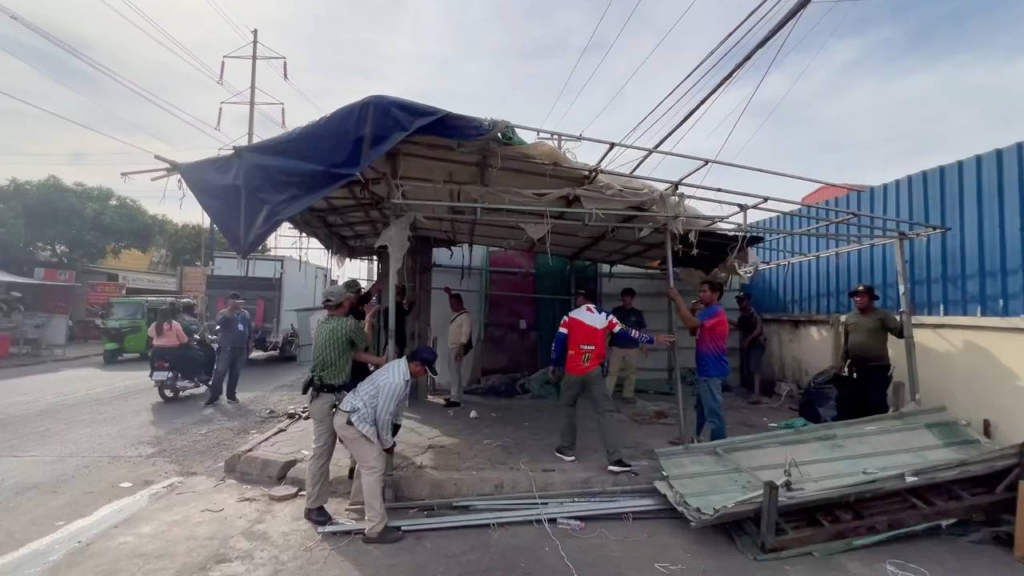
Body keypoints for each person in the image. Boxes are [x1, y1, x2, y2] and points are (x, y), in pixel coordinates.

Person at [551, 289, 673, 473]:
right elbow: (626, 332)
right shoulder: (605, 316)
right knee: (606, 412)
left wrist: (554, 363)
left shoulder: (569, 316)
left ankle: (567, 450)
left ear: (582, 297)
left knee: (568, 407)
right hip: (593, 369)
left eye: (577, 296)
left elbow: (558, 342)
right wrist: (651, 339)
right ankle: (615, 459)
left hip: (573, 370)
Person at [336, 346, 439, 544]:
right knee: (375, 466)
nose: (425, 375)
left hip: (354, 418)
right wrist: (387, 443)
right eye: (425, 370)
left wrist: (394, 431)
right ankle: (375, 529)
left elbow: (397, 408)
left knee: (368, 463)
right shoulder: (396, 380)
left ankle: (359, 505)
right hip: (353, 421)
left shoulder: (401, 370)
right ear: (417, 365)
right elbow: (383, 417)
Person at [304, 285, 386, 527]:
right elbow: (364, 345)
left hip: (319, 396)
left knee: (321, 452)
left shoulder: (321, 324)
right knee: (365, 444)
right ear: (346, 303)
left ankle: (314, 505)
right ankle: (363, 502)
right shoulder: (349, 325)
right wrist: (369, 319)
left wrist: (380, 361)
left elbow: (352, 354)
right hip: (336, 398)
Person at [668, 279, 730, 441]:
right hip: (705, 369)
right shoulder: (708, 311)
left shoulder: (715, 310)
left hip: (711, 369)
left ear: (715, 294)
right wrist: (693, 311)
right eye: (700, 291)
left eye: (704, 291)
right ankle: (697, 436)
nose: (700, 294)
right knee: (701, 408)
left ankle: (718, 444)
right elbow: (692, 330)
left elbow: (689, 322)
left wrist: (678, 298)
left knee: (713, 411)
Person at [838, 284, 904, 420]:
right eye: (856, 297)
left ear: (871, 299)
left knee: (876, 401)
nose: (858, 299)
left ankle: (879, 426)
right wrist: (841, 364)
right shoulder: (850, 317)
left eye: (863, 296)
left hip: (877, 367)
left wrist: (906, 319)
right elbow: (846, 343)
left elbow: (900, 333)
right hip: (856, 367)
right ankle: (861, 428)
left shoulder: (883, 315)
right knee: (857, 401)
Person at [204, 292, 251, 406]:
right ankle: (214, 396)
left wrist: (251, 342)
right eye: (231, 300)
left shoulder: (245, 314)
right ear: (228, 302)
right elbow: (220, 323)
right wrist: (230, 310)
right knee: (220, 371)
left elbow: (249, 328)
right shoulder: (223, 313)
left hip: (241, 347)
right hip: (227, 346)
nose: (234, 302)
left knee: (236, 372)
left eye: (236, 300)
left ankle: (231, 396)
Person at [605, 287, 647, 403]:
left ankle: (628, 395)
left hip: (633, 347)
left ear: (632, 298)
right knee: (612, 371)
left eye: (628, 296)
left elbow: (642, 329)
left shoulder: (637, 313)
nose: (625, 298)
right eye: (624, 296)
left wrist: (644, 344)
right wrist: (604, 342)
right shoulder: (616, 311)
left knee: (631, 372)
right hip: (617, 346)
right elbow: (608, 327)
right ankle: (607, 395)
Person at [442, 287, 472, 408]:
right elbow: (453, 300)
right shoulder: (457, 314)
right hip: (452, 347)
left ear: (459, 303)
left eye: (453, 304)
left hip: (457, 347)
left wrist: (460, 349)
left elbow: (466, 334)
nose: (451, 306)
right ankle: (456, 395)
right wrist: (449, 294)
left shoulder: (465, 317)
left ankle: (455, 399)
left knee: (455, 372)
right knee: (454, 371)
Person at [733, 293, 766, 401]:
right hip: (749, 345)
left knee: (755, 368)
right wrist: (726, 320)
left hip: (756, 344)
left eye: (741, 301)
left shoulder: (753, 313)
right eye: (738, 301)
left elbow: (758, 329)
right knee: (749, 368)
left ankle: (757, 394)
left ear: (747, 301)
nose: (739, 303)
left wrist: (748, 339)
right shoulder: (743, 315)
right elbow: (739, 326)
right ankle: (751, 391)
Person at [148, 306, 187, 372]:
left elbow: (150, 334)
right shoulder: (175, 324)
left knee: (152, 361)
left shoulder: (155, 325)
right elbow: (183, 339)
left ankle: (152, 372)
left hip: (157, 350)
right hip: (172, 350)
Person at [382, 284, 414, 358]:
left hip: (394, 342)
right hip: (396, 342)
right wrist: (412, 303)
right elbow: (406, 312)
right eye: (398, 293)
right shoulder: (396, 307)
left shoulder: (390, 308)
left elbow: (405, 312)